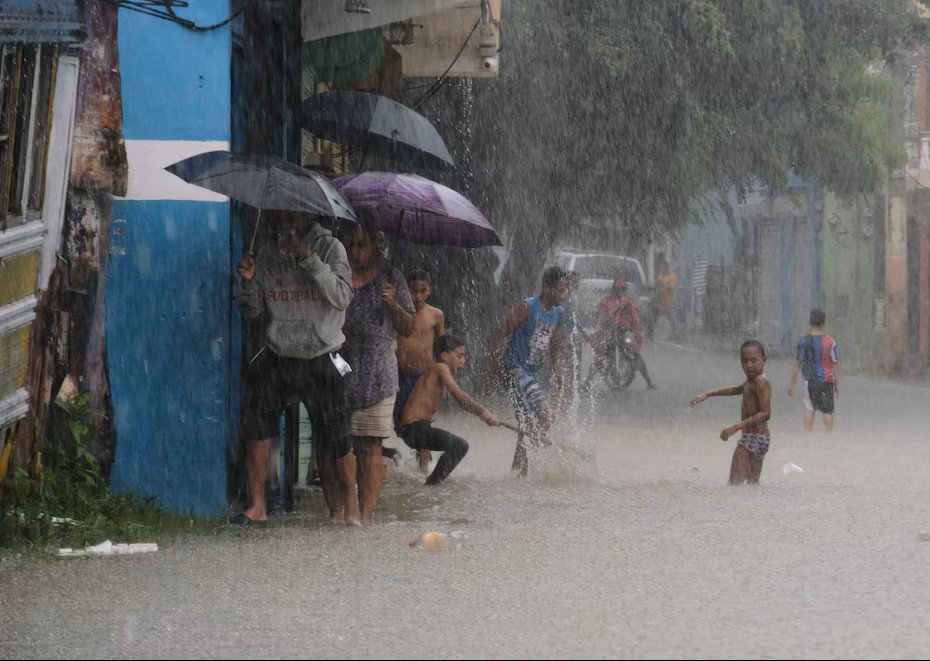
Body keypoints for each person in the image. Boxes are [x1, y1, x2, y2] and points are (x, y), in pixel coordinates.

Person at [235, 211, 359, 525]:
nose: (284, 216)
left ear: (307, 213)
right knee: (257, 424)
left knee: (335, 435)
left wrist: (309, 258)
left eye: (291, 210)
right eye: (281, 210)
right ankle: (257, 506)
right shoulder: (267, 251)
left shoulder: (332, 248)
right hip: (279, 352)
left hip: (324, 353)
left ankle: (349, 509)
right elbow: (253, 311)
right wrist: (248, 284)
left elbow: (342, 297)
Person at [341, 214, 414, 524]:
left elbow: (408, 326)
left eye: (362, 245)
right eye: (351, 245)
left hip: (378, 375)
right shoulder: (338, 273)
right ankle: (348, 510)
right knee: (342, 448)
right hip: (340, 371)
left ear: (374, 246)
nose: (356, 251)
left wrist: (394, 304)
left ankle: (366, 515)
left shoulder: (391, 277)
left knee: (371, 449)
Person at [487, 266, 569, 476]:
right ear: (547, 288)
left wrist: (559, 371)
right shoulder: (527, 307)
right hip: (513, 368)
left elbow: (555, 346)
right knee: (545, 415)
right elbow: (499, 334)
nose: (564, 294)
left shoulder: (558, 313)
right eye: (560, 290)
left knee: (526, 423)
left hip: (530, 374)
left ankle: (518, 475)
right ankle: (531, 447)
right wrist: (491, 372)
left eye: (566, 290)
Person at [400, 334, 498, 485]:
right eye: (459, 356)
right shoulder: (440, 368)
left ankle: (425, 481)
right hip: (414, 429)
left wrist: (423, 465)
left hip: (415, 429)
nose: (463, 361)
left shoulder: (436, 370)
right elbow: (460, 397)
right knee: (459, 446)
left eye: (464, 356)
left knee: (438, 439)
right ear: (445, 355)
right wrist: (484, 413)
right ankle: (431, 486)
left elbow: (424, 420)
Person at [689, 340, 772, 485]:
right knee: (752, 485)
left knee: (734, 485)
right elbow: (736, 389)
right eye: (744, 361)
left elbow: (766, 413)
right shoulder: (751, 381)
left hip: (753, 437)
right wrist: (708, 394)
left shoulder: (760, 381)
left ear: (763, 360)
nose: (749, 365)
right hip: (761, 438)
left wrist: (735, 427)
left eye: (754, 360)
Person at [394, 269, 445, 473]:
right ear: (406, 289)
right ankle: (417, 451)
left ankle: (423, 468)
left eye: (422, 291)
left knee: (423, 422)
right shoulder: (399, 312)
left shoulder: (436, 315)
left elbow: (443, 347)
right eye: (413, 290)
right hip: (400, 376)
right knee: (401, 425)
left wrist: (443, 379)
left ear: (429, 291)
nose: (417, 296)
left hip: (424, 377)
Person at [584, 278, 656, 390]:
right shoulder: (605, 301)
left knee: (636, 354)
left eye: (622, 289)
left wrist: (633, 322)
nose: (620, 291)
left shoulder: (628, 301)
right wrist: (607, 315)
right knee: (599, 357)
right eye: (618, 288)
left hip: (624, 333)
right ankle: (587, 383)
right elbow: (599, 316)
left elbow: (635, 318)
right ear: (614, 289)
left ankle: (649, 382)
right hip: (609, 333)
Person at [788, 309, 839, 432]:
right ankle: (829, 437)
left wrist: (792, 384)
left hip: (809, 380)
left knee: (809, 408)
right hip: (827, 380)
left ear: (809, 322)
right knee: (827, 410)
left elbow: (797, 365)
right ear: (824, 323)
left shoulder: (803, 341)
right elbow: (834, 364)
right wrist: (837, 384)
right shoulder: (830, 341)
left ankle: (808, 438)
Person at [649, 255, 678, 340]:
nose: (664, 268)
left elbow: (670, 287)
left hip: (668, 303)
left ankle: (674, 336)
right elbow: (656, 286)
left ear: (668, 267)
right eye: (663, 267)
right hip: (660, 302)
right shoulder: (660, 276)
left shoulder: (672, 277)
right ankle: (650, 334)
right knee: (654, 318)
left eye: (666, 266)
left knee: (672, 320)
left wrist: (662, 282)